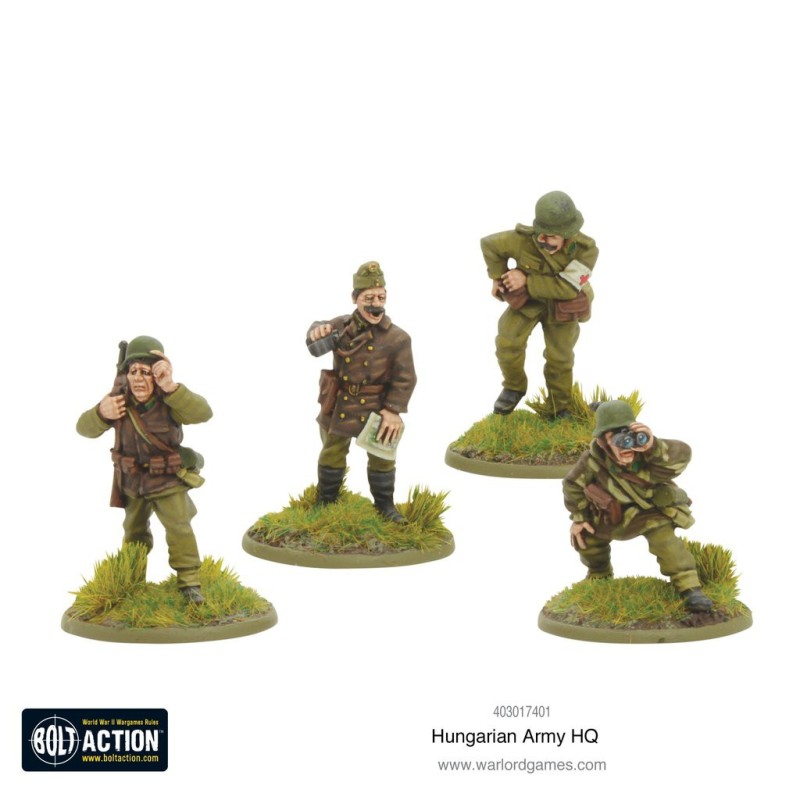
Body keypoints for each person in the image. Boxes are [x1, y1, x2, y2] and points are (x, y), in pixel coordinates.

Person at [76, 336, 212, 604]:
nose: (138, 379)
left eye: (146, 372)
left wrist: (171, 387)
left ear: (158, 374)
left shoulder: (170, 400)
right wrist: (101, 412)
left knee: (179, 528)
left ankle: (189, 583)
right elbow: (83, 428)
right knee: (134, 532)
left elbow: (203, 413)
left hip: (167, 480)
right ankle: (132, 580)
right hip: (132, 481)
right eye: (133, 371)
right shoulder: (117, 402)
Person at [563, 400, 713, 613]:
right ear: (603, 442)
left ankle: (690, 589)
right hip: (610, 514)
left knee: (667, 544)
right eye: (617, 439)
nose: (626, 446)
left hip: (649, 511)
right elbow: (572, 484)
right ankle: (599, 576)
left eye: (629, 435)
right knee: (586, 539)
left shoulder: (649, 454)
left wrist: (653, 446)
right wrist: (579, 518)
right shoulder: (593, 460)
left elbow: (683, 456)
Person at [308, 261, 417, 523]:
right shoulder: (341, 326)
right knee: (332, 452)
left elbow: (406, 378)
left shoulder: (398, 338)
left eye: (381, 297)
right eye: (369, 298)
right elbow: (317, 333)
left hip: (377, 406)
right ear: (355, 298)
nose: (376, 304)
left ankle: (385, 506)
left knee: (382, 457)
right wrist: (315, 330)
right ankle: (326, 502)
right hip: (341, 403)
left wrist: (392, 410)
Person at [481, 190, 597, 416]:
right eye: (542, 234)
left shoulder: (585, 249)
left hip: (563, 306)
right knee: (507, 342)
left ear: (567, 235)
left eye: (552, 236)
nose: (544, 241)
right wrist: (497, 276)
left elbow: (566, 288)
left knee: (560, 357)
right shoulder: (524, 239)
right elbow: (489, 245)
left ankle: (559, 407)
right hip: (528, 302)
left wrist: (525, 279)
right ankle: (513, 387)